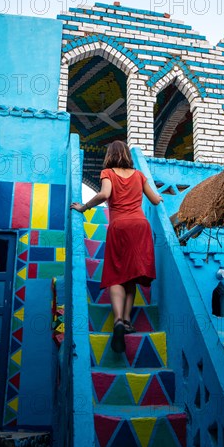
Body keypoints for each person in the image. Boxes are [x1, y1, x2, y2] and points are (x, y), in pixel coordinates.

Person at [70, 140, 163, 353]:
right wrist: (160, 199)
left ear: (110, 155)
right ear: (128, 156)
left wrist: (84, 207)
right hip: (140, 227)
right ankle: (128, 321)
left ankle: (118, 320)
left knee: (116, 274)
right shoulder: (139, 175)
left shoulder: (108, 173)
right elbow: (156, 201)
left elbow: (104, 194)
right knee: (131, 275)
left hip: (119, 226)